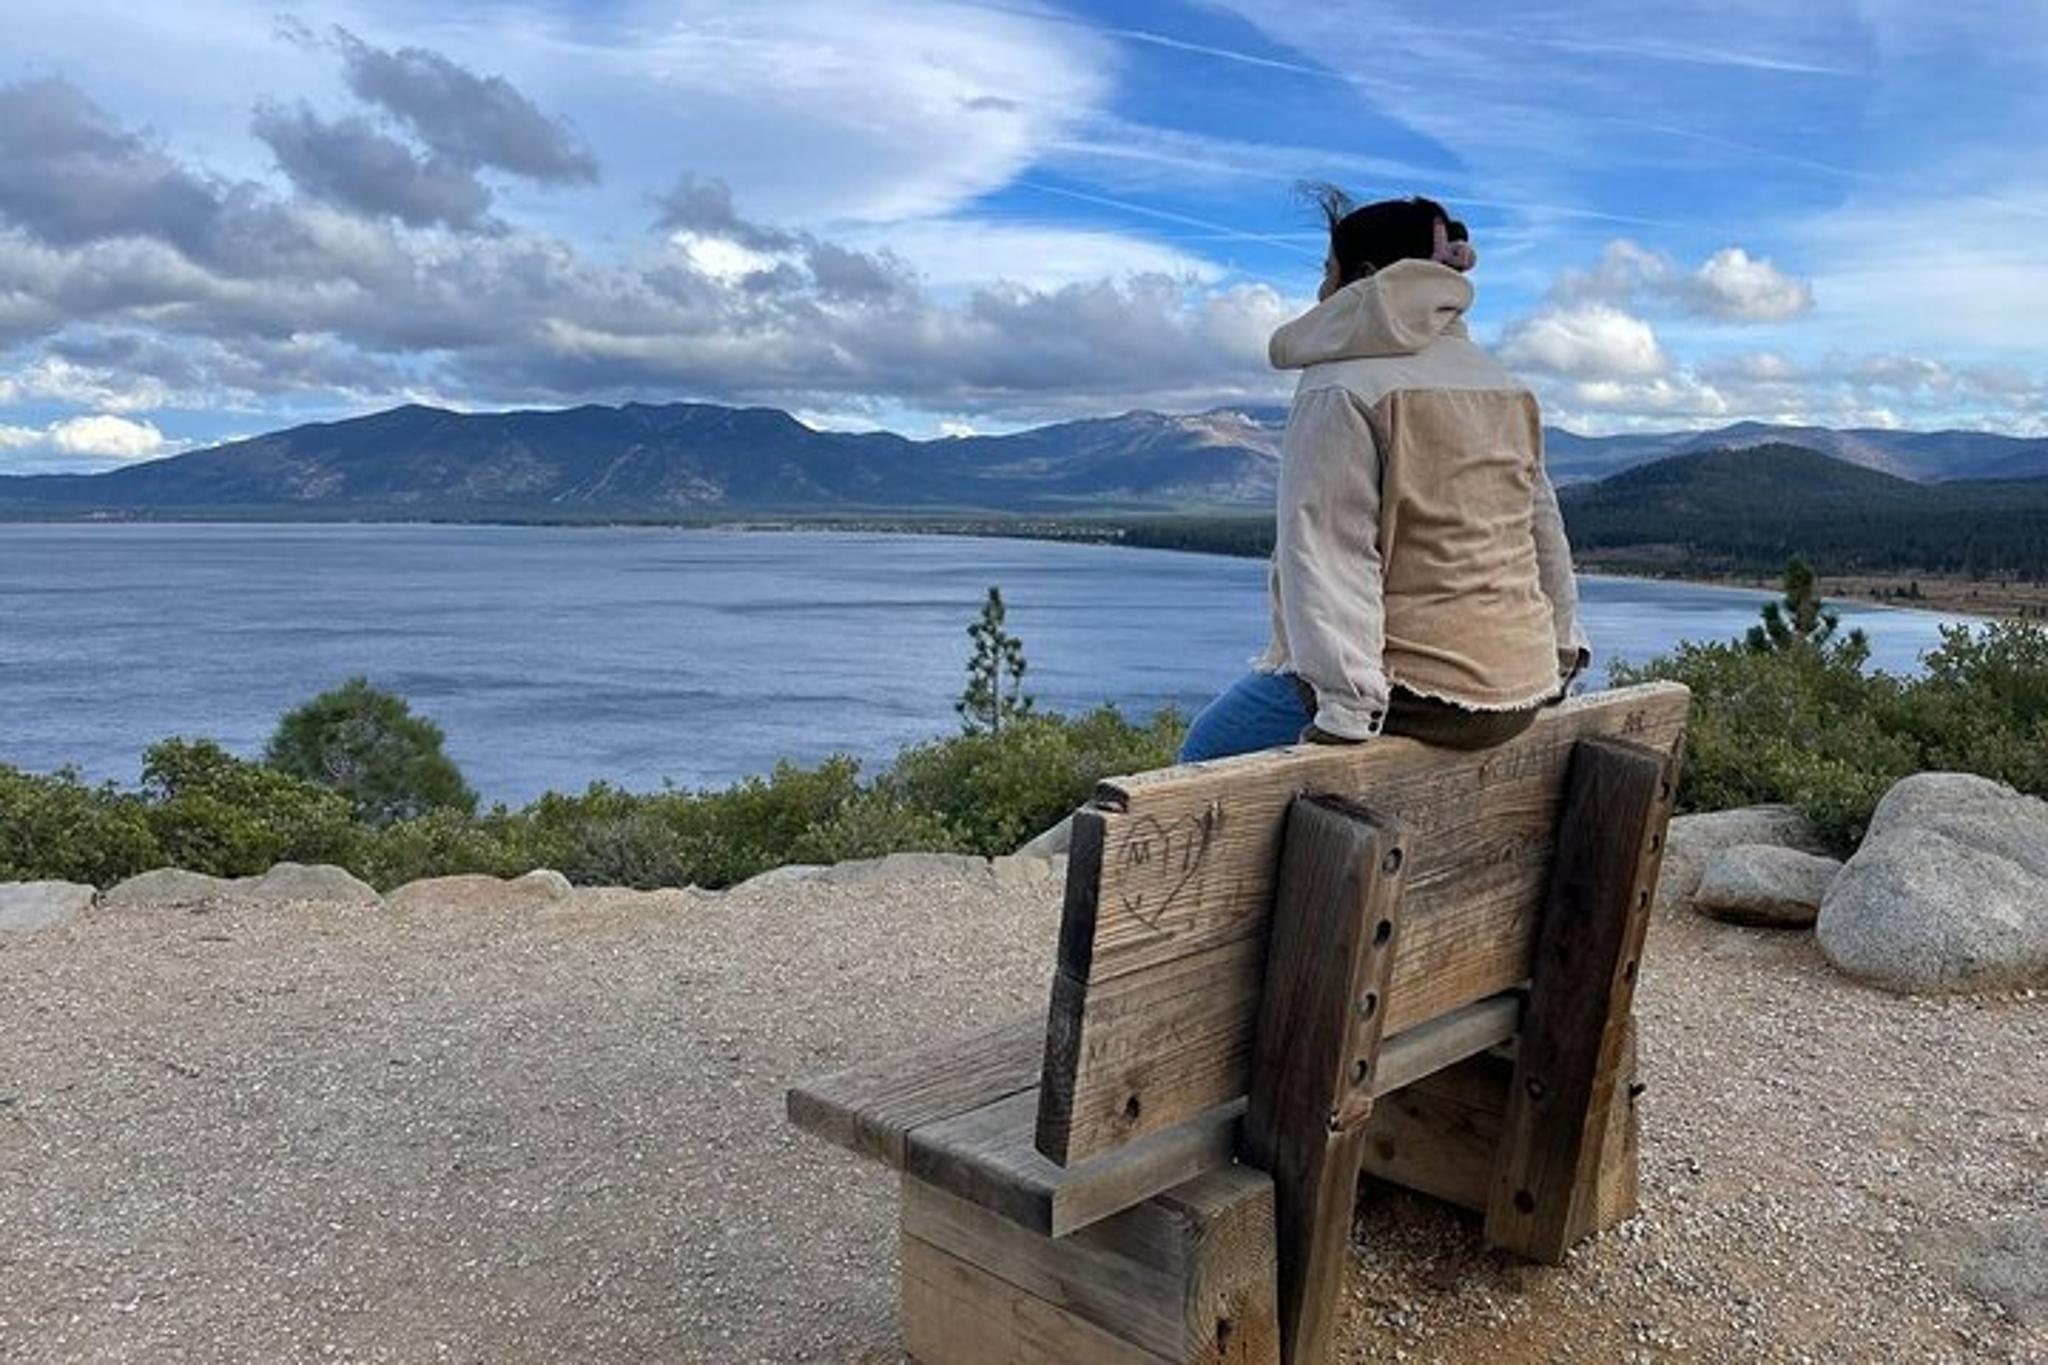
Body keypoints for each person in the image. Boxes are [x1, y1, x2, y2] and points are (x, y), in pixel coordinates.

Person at [1179, 189, 1590, 762]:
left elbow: (1328, 552)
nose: (1321, 292)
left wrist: (1347, 711)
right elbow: (1543, 533)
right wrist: (1563, 656)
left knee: (1206, 748)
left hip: (1425, 694)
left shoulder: (1341, 385)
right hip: (1521, 686)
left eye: (1328, 272)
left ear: (1365, 277)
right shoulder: (1502, 382)